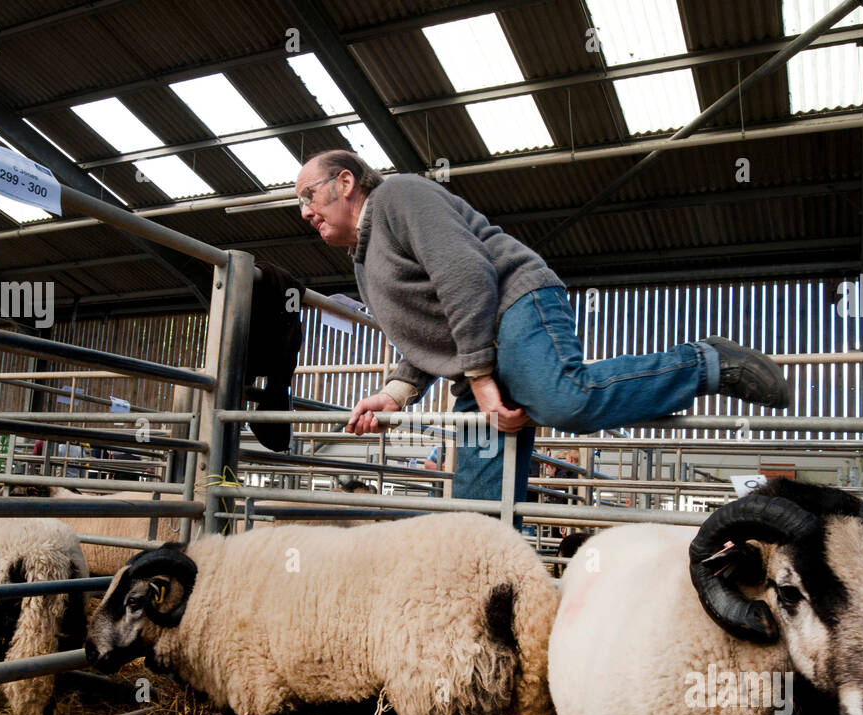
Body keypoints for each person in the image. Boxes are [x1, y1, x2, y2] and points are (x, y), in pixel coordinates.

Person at [296, 150, 790, 517]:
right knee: (479, 507)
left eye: (308, 195)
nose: (304, 211)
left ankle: (708, 362)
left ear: (345, 181)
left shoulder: (399, 196)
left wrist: (483, 380)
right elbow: (429, 335)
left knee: (563, 400)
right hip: (478, 357)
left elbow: (466, 275)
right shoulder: (363, 264)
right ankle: (490, 601)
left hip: (514, 306)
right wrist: (394, 394)